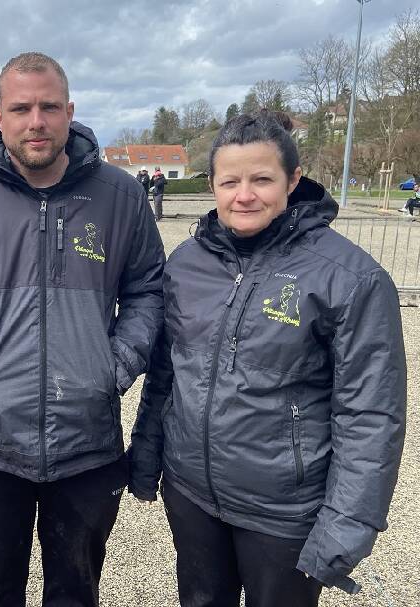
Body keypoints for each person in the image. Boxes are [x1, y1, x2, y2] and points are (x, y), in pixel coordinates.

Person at [0, 52, 165, 607]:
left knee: (76, 592)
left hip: (86, 443)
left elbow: (147, 290)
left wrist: (115, 365)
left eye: (49, 107)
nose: (36, 121)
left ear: (70, 111)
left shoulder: (121, 196)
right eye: (21, 108)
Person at [129, 111, 406, 607]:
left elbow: (370, 414)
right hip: (191, 494)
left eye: (261, 179)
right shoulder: (187, 264)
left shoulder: (350, 278)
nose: (244, 195)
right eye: (229, 181)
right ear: (212, 185)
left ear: (293, 180)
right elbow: (167, 372)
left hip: (284, 512)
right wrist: (147, 456)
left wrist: (346, 524)